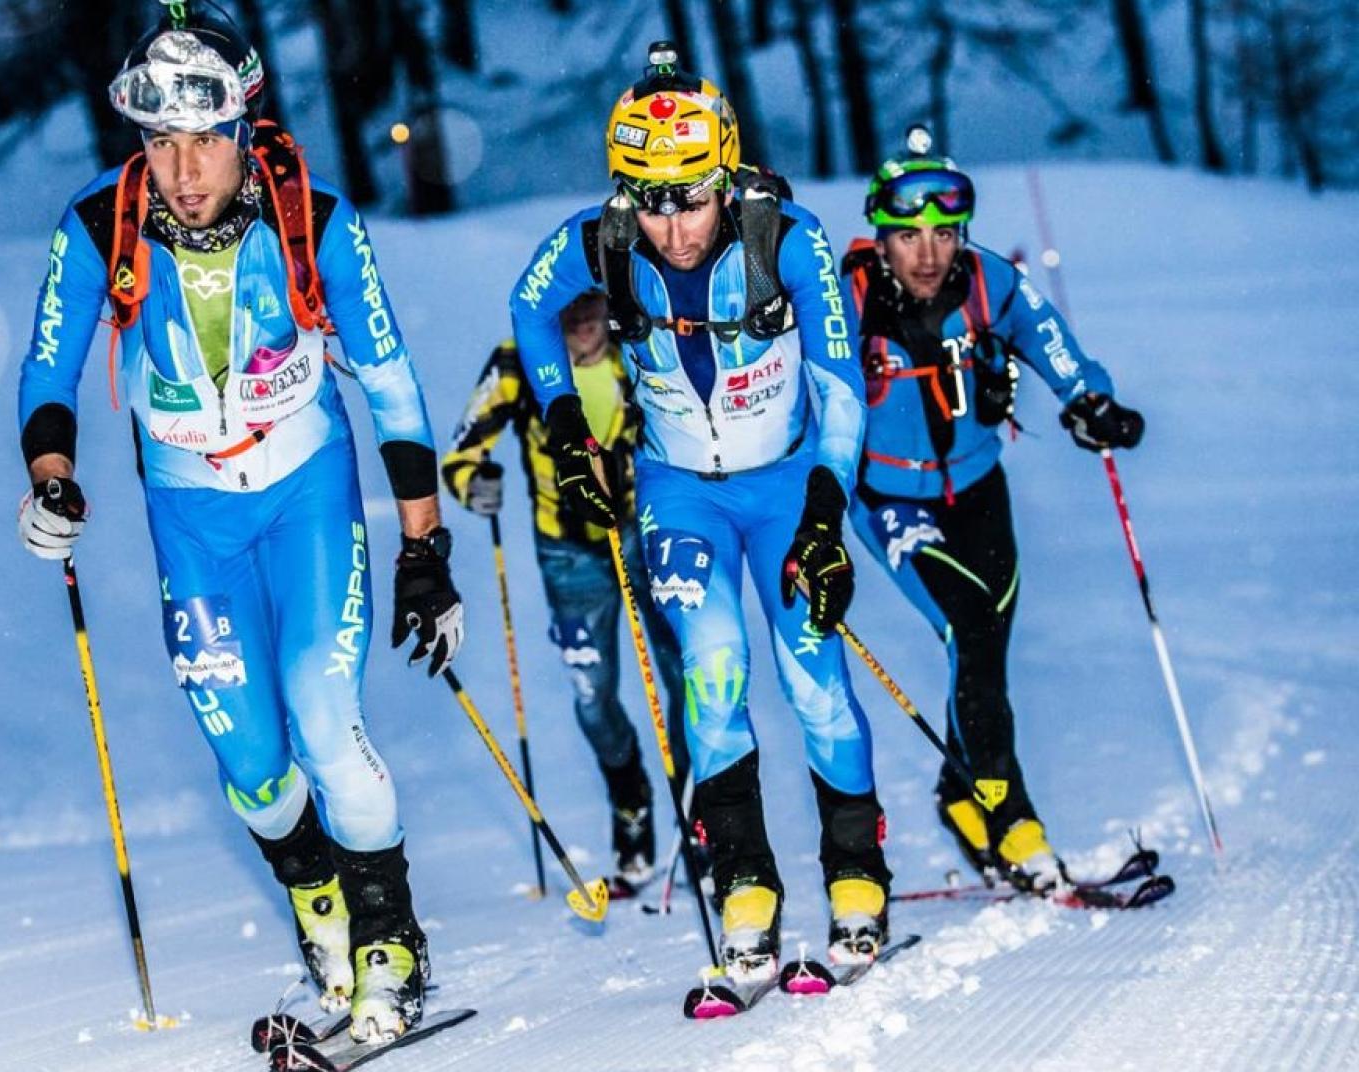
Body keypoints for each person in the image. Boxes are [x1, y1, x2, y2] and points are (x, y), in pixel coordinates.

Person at [14, 9, 462, 1042]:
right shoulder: (99, 225)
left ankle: (390, 941)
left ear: (244, 124)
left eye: (203, 139)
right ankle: (324, 926)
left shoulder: (314, 218)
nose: (181, 167)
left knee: (324, 717)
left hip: (305, 489)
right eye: (159, 141)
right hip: (191, 518)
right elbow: (50, 366)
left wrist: (423, 548)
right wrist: (51, 478)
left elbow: (391, 385)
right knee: (253, 765)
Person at [507, 42, 893, 977]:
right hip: (678, 493)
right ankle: (746, 884)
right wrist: (565, 425)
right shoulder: (600, 241)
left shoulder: (785, 241)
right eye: (649, 199)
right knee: (713, 674)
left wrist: (826, 512)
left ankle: (856, 871)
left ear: (726, 177)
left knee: (812, 678)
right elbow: (529, 308)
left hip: (788, 488)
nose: (672, 228)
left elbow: (841, 388)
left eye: (690, 197)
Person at [841, 127, 1145, 892]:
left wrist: (1089, 400)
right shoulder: (844, 298)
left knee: (983, 649)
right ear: (881, 235)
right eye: (908, 234)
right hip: (890, 497)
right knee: (969, 629)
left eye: (944, 233)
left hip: (979, 488)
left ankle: (959, 797)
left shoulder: (988, 283)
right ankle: (1015, 825)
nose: (928, 252)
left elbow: (1049, 338)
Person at [440, 291, 688, 894]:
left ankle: (699, 818)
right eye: (566, 311)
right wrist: (478, 486)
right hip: (568, 554)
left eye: (591, 306)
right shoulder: (516, 362)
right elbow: (462, 452)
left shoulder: (639, 351)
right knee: (592, 696)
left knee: (686, 675)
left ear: (609, 305)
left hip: (645, 534)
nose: (581, 322)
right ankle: (632, 807)